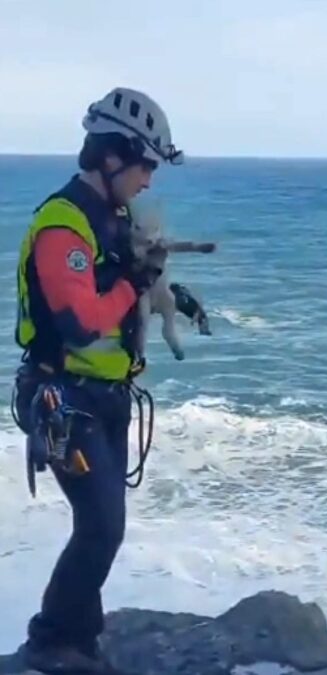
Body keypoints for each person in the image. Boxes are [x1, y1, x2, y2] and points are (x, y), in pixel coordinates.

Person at [12, 86, 183, 673]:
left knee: (104, 524)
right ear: (112, 156)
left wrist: (169, 295)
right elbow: (82, 323)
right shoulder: (63, 225)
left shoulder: (112, 217)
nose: (148, 181)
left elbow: (127, 279)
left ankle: (81, 637)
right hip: (63, 399)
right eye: (145, 166)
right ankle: (50, 640)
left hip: (106, 398)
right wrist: (135, 284)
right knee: (102, 526)